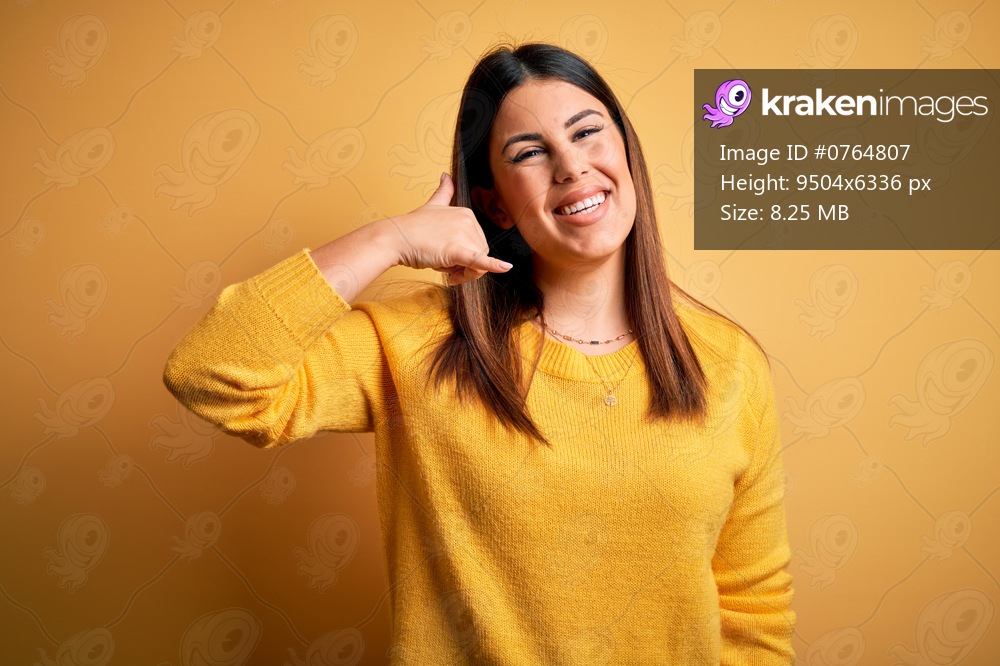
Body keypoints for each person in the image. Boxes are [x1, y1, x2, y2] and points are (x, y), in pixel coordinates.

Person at [164, 42, 795, 664]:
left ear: (626, 151)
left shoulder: (729, 362)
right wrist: (389, 239)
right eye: (530, 153)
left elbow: (754, 610)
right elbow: (212, 374)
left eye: (587, 133)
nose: (571, 168)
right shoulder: (419, 344)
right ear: (494, 201)